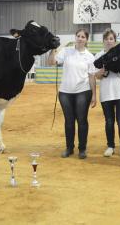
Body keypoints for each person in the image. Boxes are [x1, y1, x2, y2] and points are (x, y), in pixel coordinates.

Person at [48, 28, 97, 159]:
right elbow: (52, 62)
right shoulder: (66, 51)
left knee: (82, 120)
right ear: (75, 37)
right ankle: (69, 148)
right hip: (65, 92)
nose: (80, 38)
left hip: (83, 91)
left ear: (86, 40)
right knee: (69, 121)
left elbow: (92, 77)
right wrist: (53, 48)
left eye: (83, 37)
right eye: (78, 36)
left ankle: (82, 149)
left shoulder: (89, 56)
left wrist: (94, 95)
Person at [94, 29, 120, 158]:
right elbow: (96, 76)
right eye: (106, 39)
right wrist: (102, 71)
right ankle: (110, 146)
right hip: (106, 93)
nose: (109, 41)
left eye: (111, 39)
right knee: (109, 121)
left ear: (115, 41)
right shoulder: (99, 56)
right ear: (103, 41)